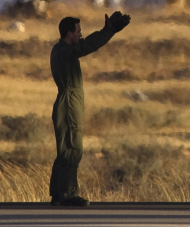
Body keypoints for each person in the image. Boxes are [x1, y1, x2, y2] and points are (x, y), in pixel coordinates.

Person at [49, 11, 131, 206]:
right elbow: (87, 46)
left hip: (66, 101)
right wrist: (108, 31)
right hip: (69, 103)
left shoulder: (59, 49)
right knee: (73, 148)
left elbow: (84, 44)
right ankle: (68, 194)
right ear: (69, 33)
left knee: (65, 149)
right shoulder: (66, 52)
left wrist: (106, 31)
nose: (80, 34)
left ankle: (58, 193)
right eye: (78, 31)